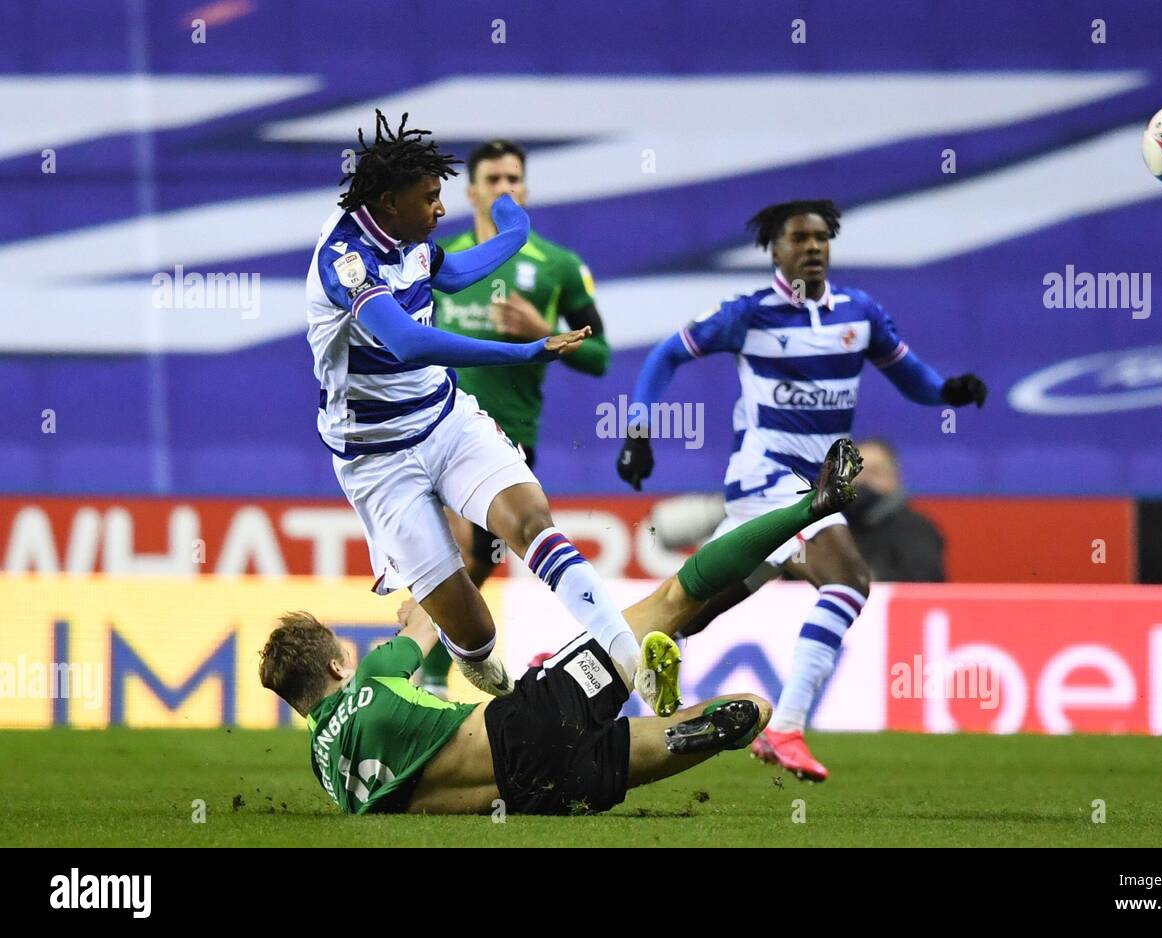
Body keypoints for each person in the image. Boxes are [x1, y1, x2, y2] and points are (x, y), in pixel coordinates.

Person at [258, 440, 862, 815]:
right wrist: (420, 564)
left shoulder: (326, 767)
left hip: (538, 796)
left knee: (748, 709)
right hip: (529, 719)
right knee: (673, 598)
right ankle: (809, 508)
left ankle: (699, 722)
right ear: (340, 665)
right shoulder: (373, 674)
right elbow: (435, 607)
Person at [306, 110, 672, 715]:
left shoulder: (407, 236)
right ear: (390, 201)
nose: (441, 211)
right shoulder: (347, 260)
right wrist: (524, 349)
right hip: (377, 459)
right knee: (471, 630)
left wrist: (513, 232)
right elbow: (409, 342)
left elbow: (454, 272)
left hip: (446, 418)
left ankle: (632, 663)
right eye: (429, 199)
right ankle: (475, 661)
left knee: (532, 522)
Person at [616, 200, 987, 781]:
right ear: (775, 249)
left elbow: (911, 376)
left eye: (821, 238)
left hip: (807, 487)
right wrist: (638, 430)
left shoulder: (859, 314)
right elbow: (666, 356)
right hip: (774, 479)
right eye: (799, 239)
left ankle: (567, 671)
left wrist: (949, 393)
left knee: (687, 613)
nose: (812, 247)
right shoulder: (749, 313)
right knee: (849, 582)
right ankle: (786, 727)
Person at [420, 138, 609, 695]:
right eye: (495, 180)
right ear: (472, 191)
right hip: (433, 426)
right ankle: (427, 672)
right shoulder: (440, 260)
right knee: (450, 552)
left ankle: (430, 663)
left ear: (525, 189)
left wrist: (538, 335)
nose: (506, 189)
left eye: (515, 180)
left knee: (476, 558)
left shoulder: (559, 267)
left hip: (508, 435)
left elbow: (600, 357)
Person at [842, 438, 945, 582]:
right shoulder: (829, 528)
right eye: (855, 472)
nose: (862, 480)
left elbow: (924, 582)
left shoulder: (916, 529)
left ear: (894, 478)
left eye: (874, 472)